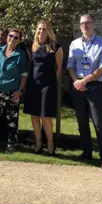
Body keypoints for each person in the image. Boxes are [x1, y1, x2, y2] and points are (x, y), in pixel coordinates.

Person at [67, 14, 102, 171]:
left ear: (94, 24)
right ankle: (87, 153)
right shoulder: (74, 44)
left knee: (99, 122)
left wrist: (84, 81)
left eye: (87, 23)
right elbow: (70, 65)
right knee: (81, 121)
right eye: (81, 23)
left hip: (94, 86)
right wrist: (76, 82)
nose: (84, 26)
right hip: (78, 86)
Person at [23, 20, 63, 155]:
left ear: (49, 31)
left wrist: (52, 82)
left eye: (44, 29)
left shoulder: (56, 47)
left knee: (45, 116)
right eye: (39, 29)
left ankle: (50, 143)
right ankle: (39, 143)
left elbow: (59, 68)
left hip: (48, 85)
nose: (41, 32)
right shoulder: (31, 46)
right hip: (33, 84)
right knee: (34, 115)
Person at [0, 29, 28, 153]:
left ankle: (11, 143)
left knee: (12, 119)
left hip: (12, 91)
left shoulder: (20, 55)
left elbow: (24, 75)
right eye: (10, 36)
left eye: (16, 37)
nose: (12, 39)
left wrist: (20, 90)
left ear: (19, 41)